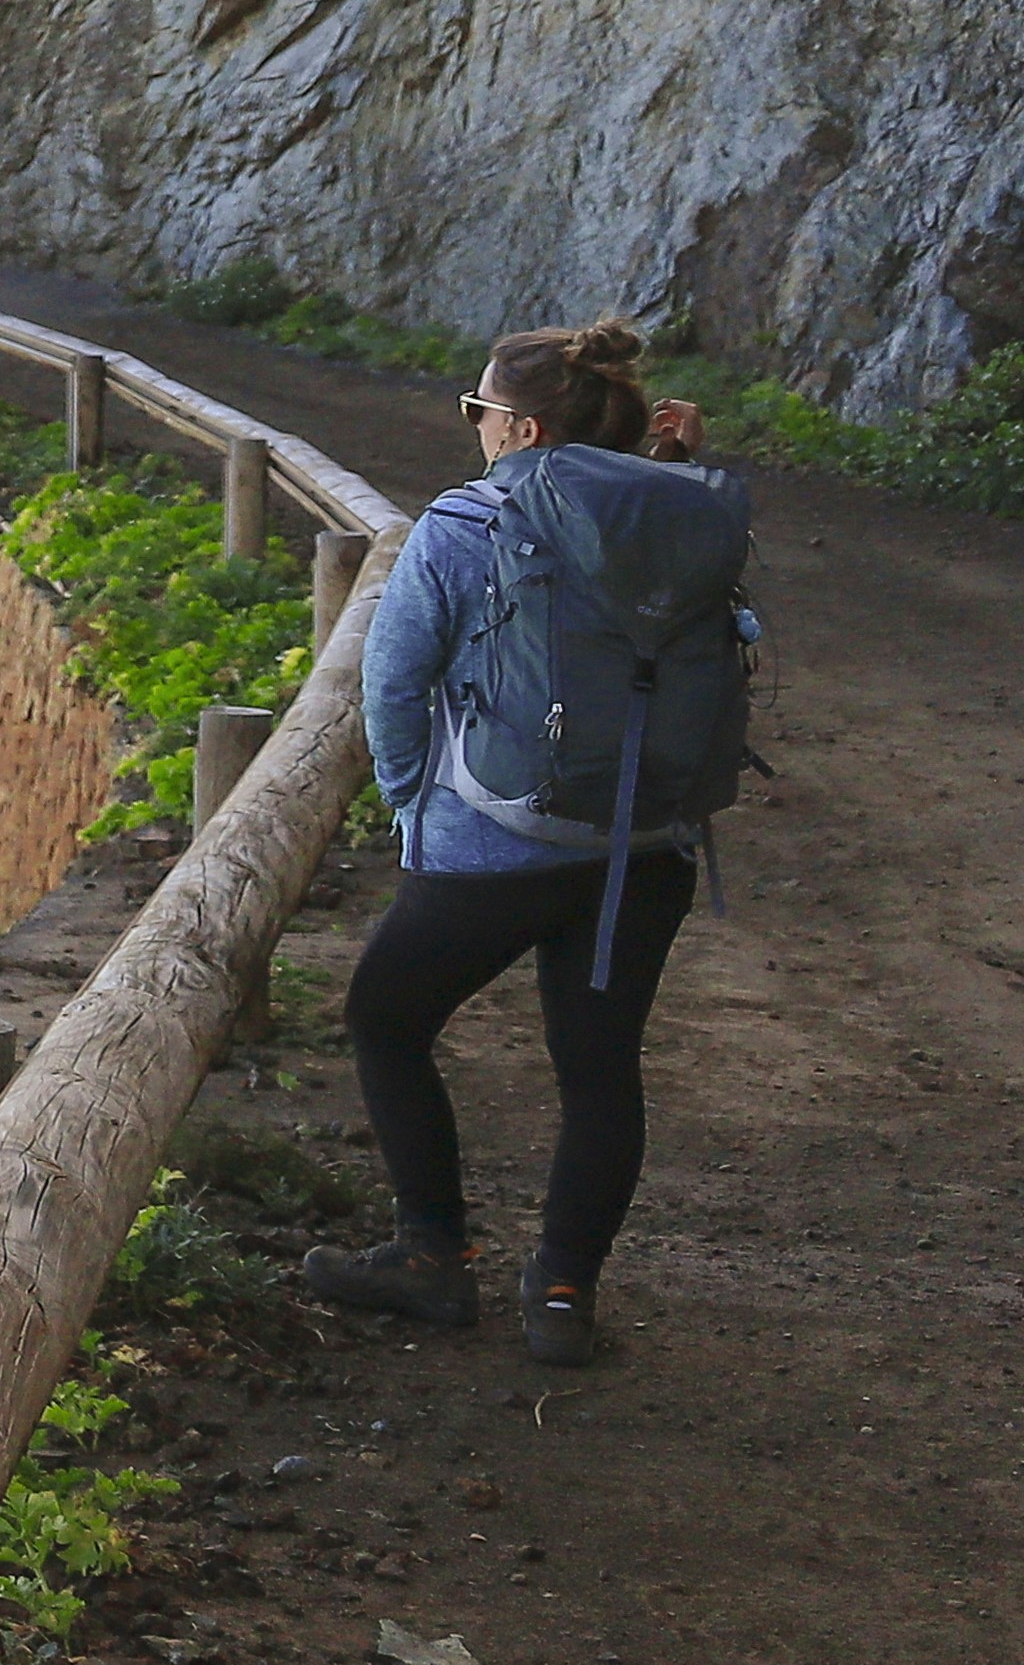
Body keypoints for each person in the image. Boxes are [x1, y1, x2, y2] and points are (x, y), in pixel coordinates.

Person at [300, 320, 725, 1370]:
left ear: (521, 426)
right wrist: (670, 461)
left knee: (384, 1016)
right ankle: (561, 1294)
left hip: (496, 841)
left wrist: (413, 812)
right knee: (597, 1067)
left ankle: (430, 1255)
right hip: (645, 841)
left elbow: (390, 686)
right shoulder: (673, 505)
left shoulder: (457, 523)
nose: (475, 425)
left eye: (477, 408)